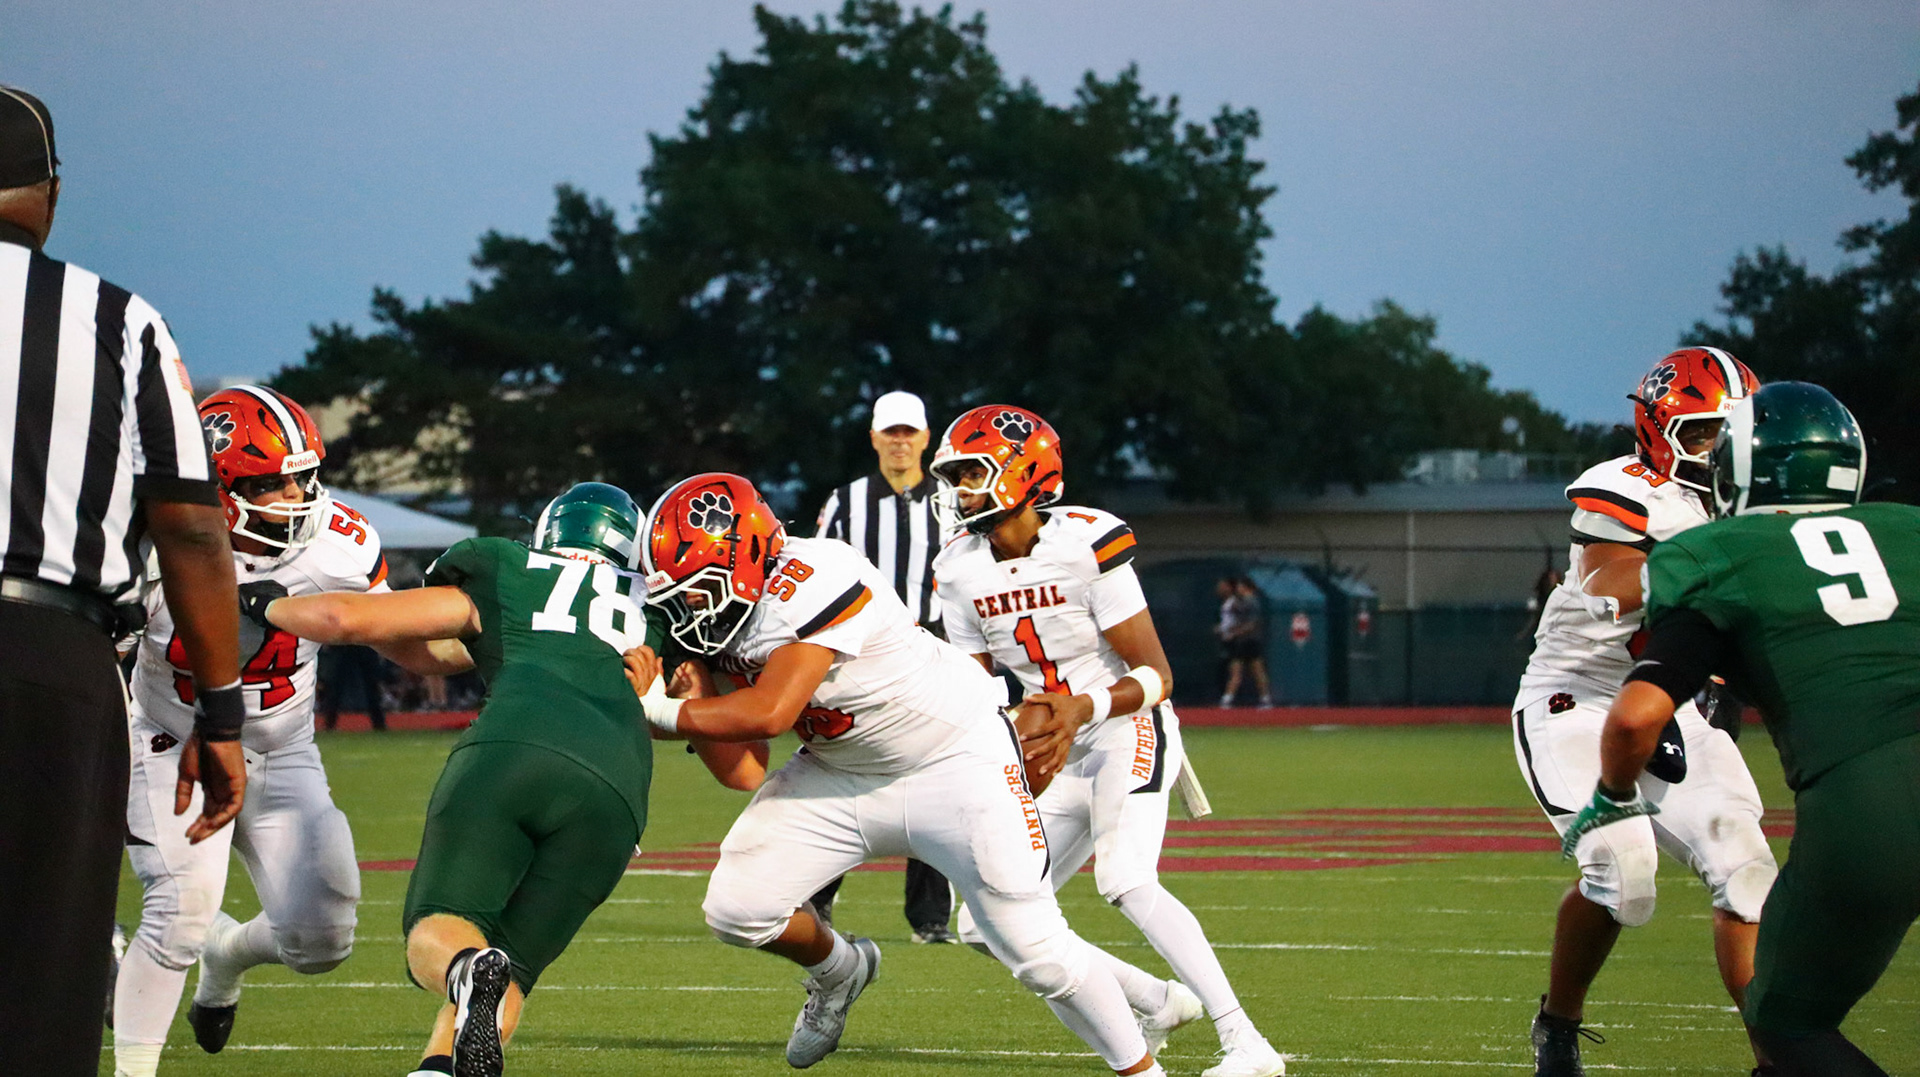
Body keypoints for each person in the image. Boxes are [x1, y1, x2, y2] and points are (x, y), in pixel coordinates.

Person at [633, 471, 1171, 1075]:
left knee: (1038, 953)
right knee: (737, 907)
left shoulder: (818, 574)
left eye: (698, 590)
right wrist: (695, 699)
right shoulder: (715, 622)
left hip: (956, 758)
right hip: (840, 771)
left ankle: (1144, 1068)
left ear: (749, 555)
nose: (688, 609)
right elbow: (745, 770)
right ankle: (840, 972)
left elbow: (771, 710)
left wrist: (658, 711)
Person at [259, 482, 758, 1077]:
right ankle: (438, 1065)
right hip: (616, 795)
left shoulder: (505, 565)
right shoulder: (666, 607)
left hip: (511, 750)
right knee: (509, 971)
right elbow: (742, 769)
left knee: (439, 932)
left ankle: (463, 969)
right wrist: (667, 701)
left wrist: (257, 602)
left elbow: (345, 618)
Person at [1567, 381, 1917, 1077]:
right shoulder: (1907, 526)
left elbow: (1637, 715)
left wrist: (1611, 795)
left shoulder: (1717, 551)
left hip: (1872, 805)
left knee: (1787, 1026)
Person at [0, 85, 245, 1077]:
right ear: (51, 193)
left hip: (54, 645)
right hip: (49, 656)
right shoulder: (115, 319)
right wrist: (219, 714)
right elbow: (190, 525)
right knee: (43, 961)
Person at [932, 405, 1287, 1077]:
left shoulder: (1085, 542)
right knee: (983, 921)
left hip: (1127, 725)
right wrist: (1003, 742)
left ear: (1024, 472)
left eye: (973, 472)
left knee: (1124, 879)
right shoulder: (957, 569)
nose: (960, 490)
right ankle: (1157, 1000)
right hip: (1054, 744)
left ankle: (1248, 1043)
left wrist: (1081, 708)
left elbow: (1157, 675)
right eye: (954, 477)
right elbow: (976, 690)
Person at [111, 385, 453, 1076]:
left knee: (322, 940)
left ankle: (225, 953)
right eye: (272, 482)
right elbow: (101, 662)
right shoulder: (145, 543)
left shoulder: (339, 542)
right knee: (179, 911)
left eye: (303, 476)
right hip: (173, 744)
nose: (297, 495)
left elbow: (403, 641)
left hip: (282, 748)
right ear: (219, 488)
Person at [1512, 348, 1777, 1076]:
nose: (1719, 450)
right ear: (1660, 432)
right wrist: (1710, 558)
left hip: (1675, 700)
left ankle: (1779, 1058)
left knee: (1747, 871)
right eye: (1703, 433)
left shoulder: (1756, 506)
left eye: (1732, 432)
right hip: (1578, 700)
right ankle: (1558, 1025)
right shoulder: (1629, 488)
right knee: (1622, 873)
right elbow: (1609, 579)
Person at [810, 389, 955, 941]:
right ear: (874, 437)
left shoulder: (951, 501)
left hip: (936, 647)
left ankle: (930, 916)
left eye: (908, 432)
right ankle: (817, 897)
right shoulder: (846, 501)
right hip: (862, 650)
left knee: (935, 774)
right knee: (844, 765)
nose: (900, 442)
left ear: (925, 438)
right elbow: (818, 570)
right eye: (891, 432)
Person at [1218, 575, 1271, 707]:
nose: (1238, 589)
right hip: (1240, 642)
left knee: (1257, 671)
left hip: (1251, 641)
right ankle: (1227, 699)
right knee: (1235, 671)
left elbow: (1252, 624)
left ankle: (1265, 698)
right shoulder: (1238, 602)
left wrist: (1235, 633)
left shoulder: (1252, 602)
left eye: (1241, 586)